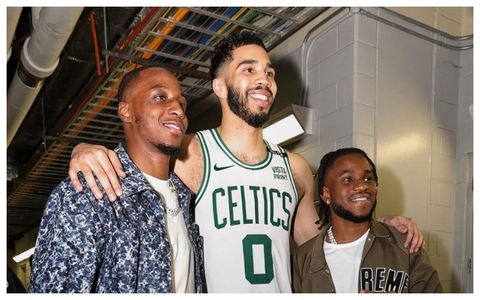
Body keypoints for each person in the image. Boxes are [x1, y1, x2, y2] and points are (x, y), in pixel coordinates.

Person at [68, 31, 424, 292]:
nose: (264, 80)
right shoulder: (190, 154)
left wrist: (379, 227)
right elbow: (137, 151)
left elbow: (324, 243)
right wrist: (82, 149)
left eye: (268, 72)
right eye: (249, 70)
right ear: (219, 87)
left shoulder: (295, 168)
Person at [29, 67, 204, 293]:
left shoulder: (189, 196)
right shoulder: (86, 197)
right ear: (126, 112)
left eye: (182, 104)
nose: (179, 110)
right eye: (160, 97)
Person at [292, 147, 442, 293]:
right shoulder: (302, 259)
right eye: (347, 179)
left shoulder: (407, 245)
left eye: (368, 178)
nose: (362, 186)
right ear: (326, 194)